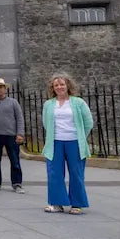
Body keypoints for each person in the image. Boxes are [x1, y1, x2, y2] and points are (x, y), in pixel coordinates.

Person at [41, 73, 93, 215]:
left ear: (68, 85)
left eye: (62, 84)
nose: (59, 87)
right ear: (53, 88)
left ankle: (77, 204)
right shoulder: (48, 104)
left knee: (76, 173)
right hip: (55, 142)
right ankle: (57, 203)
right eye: (56, 85)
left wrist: (80, 136)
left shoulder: (78, 102)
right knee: (54, 173)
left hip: (74, 142)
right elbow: (46, 123)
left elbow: (88, 122)